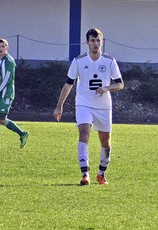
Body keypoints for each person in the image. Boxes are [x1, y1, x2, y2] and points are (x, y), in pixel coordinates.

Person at [53, 28, 124, 186]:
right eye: (93, 40)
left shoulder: (109, 61)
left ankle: (101, 173)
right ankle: (85, 173)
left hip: (103, 106)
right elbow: (68, 84)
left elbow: (120, 84)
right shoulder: (78, 61)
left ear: (102, 42)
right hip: (84, 104)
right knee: (84, 133)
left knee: (105, 142)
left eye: (98, 40)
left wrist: (106, 88)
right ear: (87, 42)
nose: (96, 43)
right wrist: (59, 106)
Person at [0, 38, 29, 149]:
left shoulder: (8, 60)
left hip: (6, 94)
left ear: (7, 48)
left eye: (3, 46)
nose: (1, 48)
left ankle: (22, 133)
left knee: (2, 119)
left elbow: (7, 78)